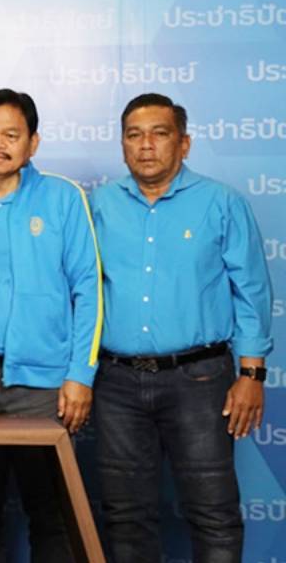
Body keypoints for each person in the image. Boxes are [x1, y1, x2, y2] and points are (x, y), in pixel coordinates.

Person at [90, 93, 273, 562]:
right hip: (116, 384)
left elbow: (251, 291)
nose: (146, 145)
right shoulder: (99, 206)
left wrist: (251, 375)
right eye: (134, 135)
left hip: (200, 380)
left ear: (184, 143)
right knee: (126, 518)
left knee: (213, 513)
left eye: (159, 133)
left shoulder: (221, 202)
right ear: (122, 145)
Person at [0, 89, 101, 563]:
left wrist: (80, 375)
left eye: (10, 135)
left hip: (44, 386)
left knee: (50, 512)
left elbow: (89, 289)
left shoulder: (63, 197)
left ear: (33, 142)